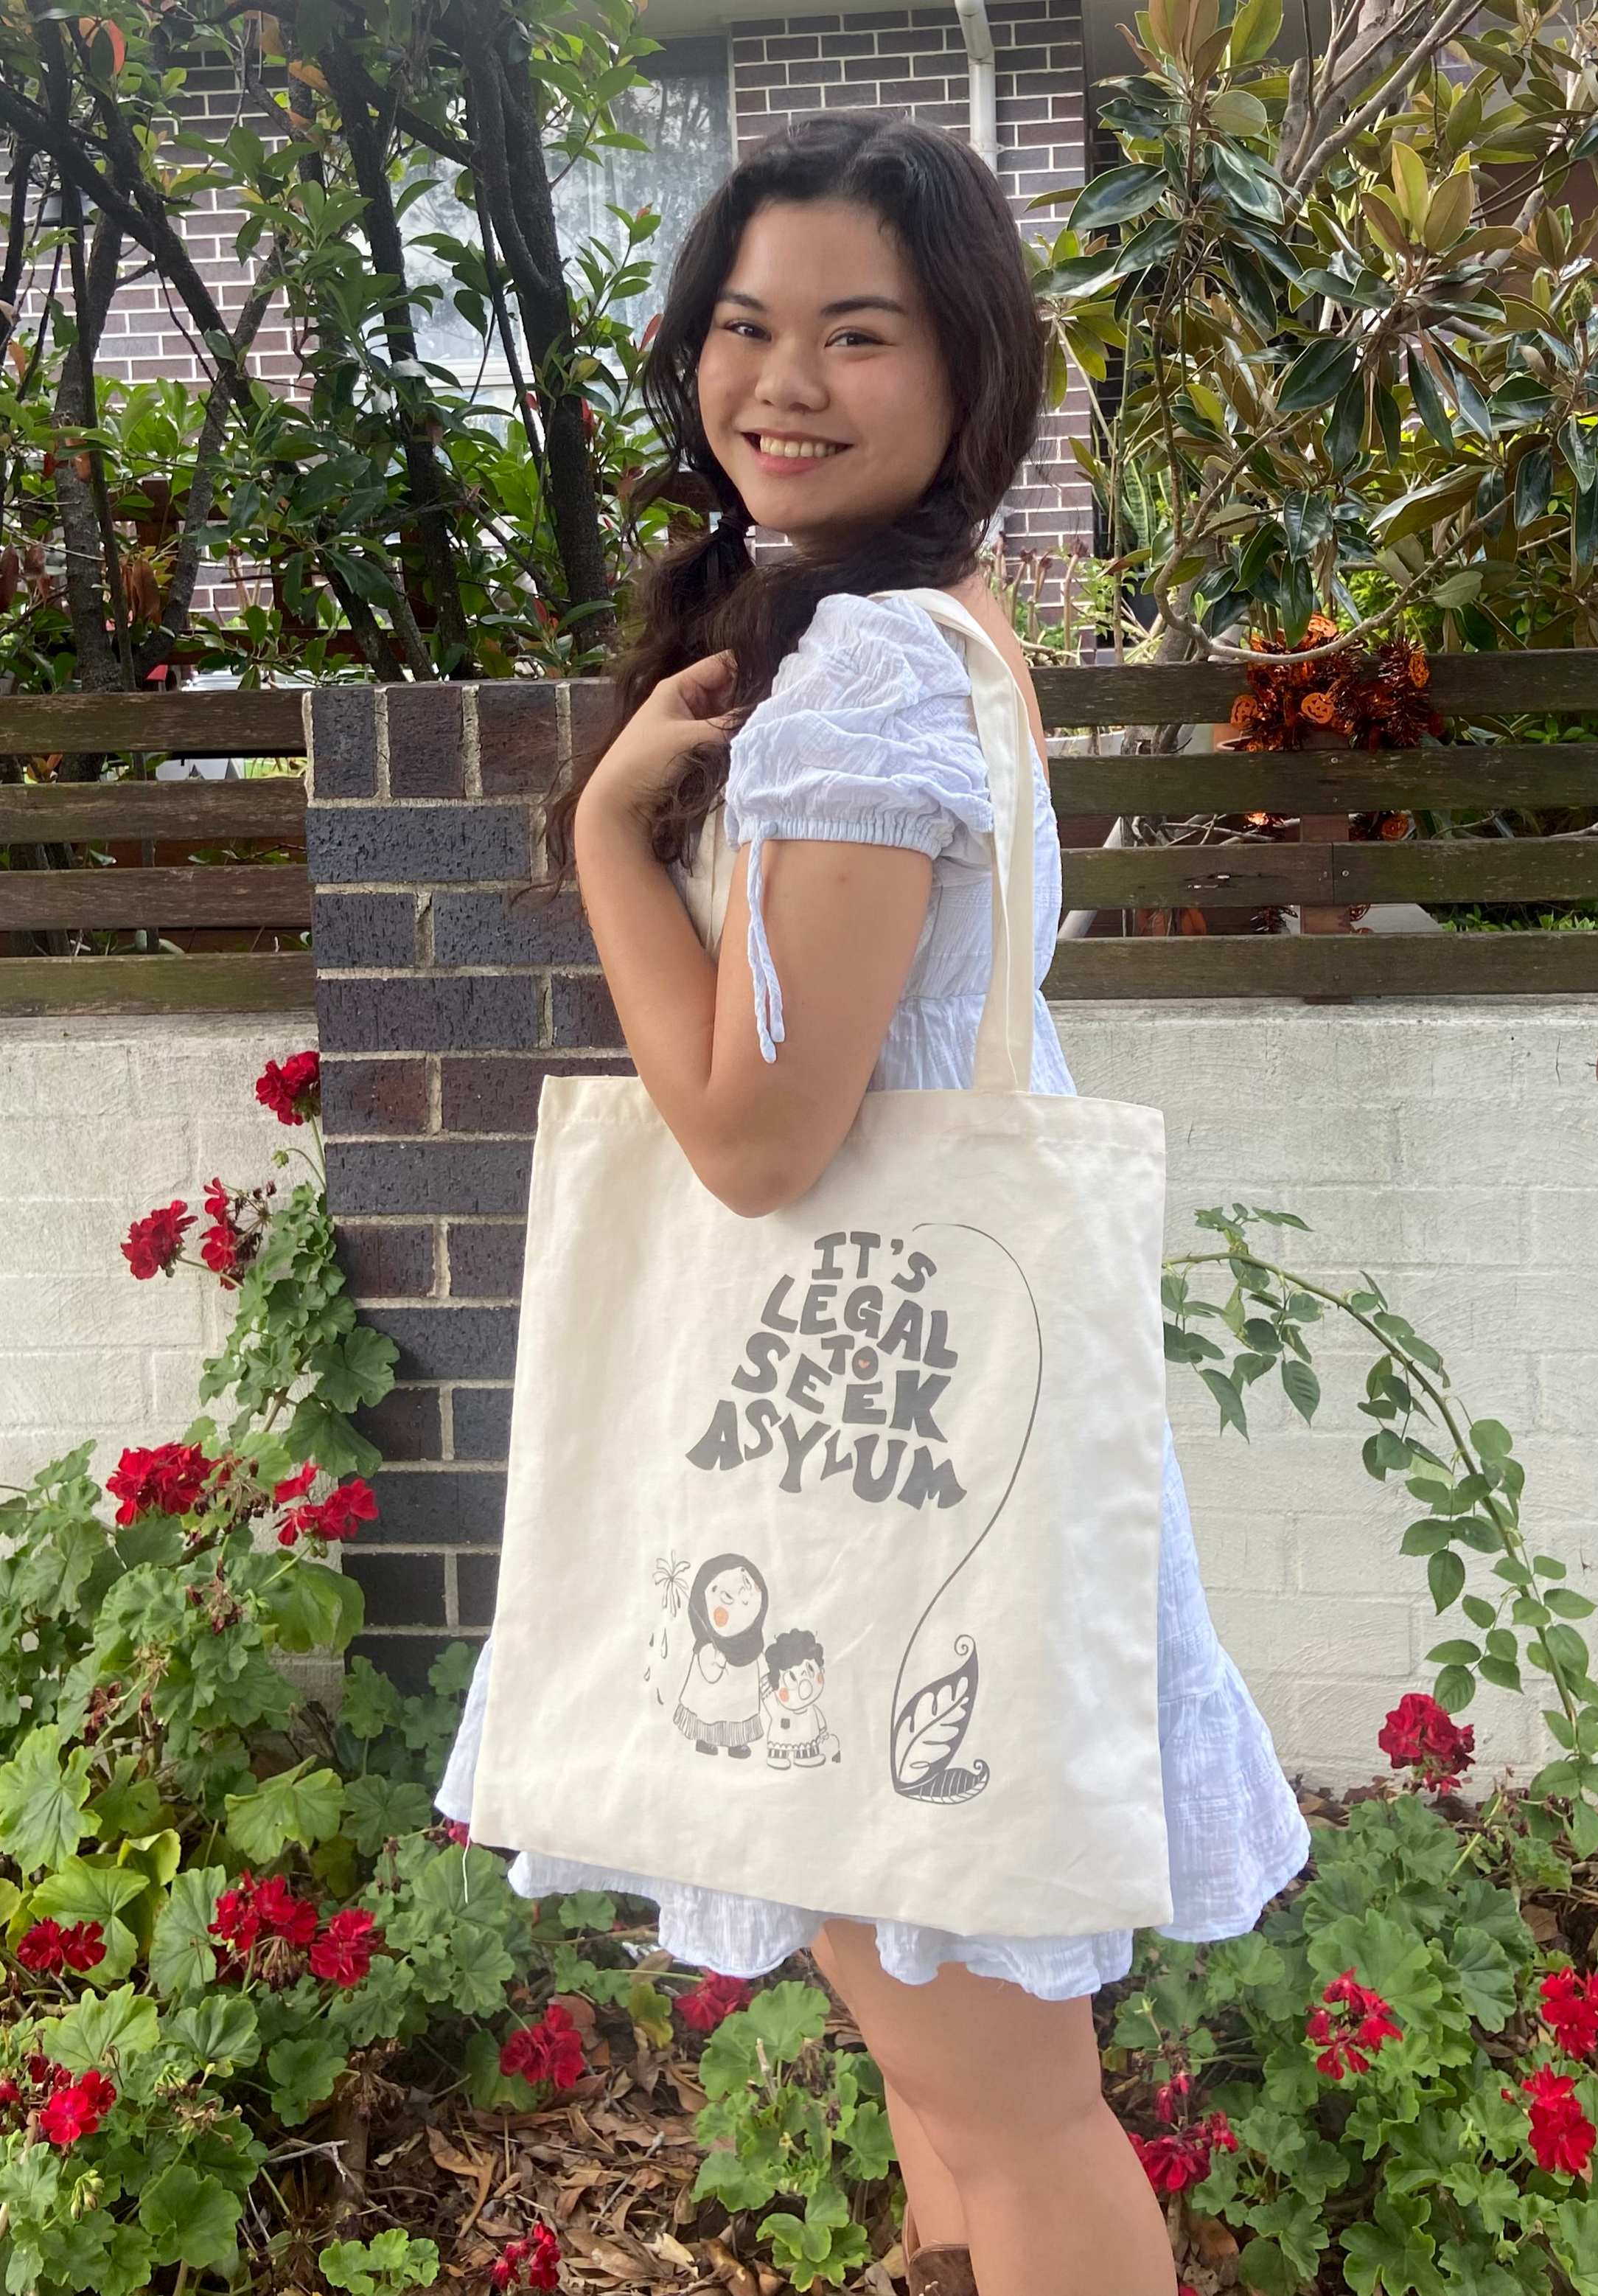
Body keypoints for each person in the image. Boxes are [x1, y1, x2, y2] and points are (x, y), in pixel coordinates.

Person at [439, 112, 1309, 2296]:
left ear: (965, 370)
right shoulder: (943, 626)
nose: (781, 386)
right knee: (955, 2091)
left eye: (855, 333)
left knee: (1007, 2112)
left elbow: (752, 1140)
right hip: (912, 1439)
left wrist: (605, 857)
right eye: (744, 330)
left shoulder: (869, 674)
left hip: (895, 1483)